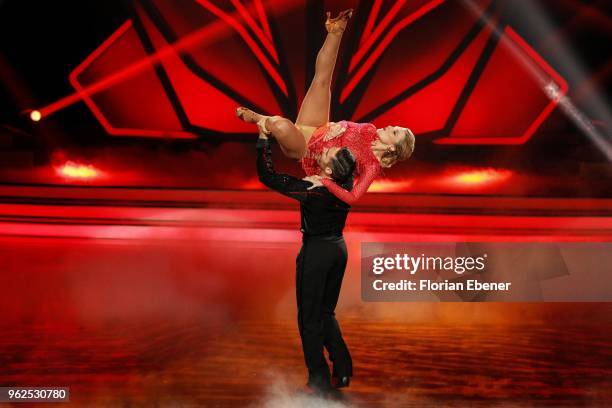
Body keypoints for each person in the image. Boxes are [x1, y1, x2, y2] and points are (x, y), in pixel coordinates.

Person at [237, 9, 415, 205]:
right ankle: (336, 30)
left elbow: (353, 197)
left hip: (305, 149)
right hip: (320, 125)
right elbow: (347, 131)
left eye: (395, 132)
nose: (391, 126)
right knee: (322, 80)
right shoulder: (371, 129)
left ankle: (261, 120)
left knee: (281, 126)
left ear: (392, 147)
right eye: (395, 127)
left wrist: (325, 182)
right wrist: (339, 126)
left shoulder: (372, 166)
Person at [255, 127, 355, 396]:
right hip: (338, 249)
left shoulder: (312, 190)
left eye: (329, 153)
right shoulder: (347, 184)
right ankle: (343, 368)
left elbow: (268, 176)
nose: (324, 151)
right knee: (326, 313)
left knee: (309, 319)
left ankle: (319, 379)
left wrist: (264, 139)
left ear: (331, 172)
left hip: (317, 253)